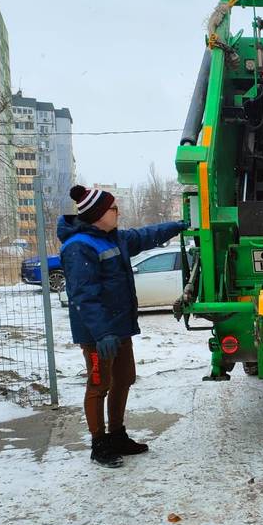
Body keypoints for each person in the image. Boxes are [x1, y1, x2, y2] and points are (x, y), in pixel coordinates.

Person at [58, 184, 188, 468]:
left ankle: (116, 434)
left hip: (119, 328)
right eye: (113, 208)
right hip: (97, 334)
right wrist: (101, 332)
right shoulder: (79, 246)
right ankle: (99, 443)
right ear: (98, 214)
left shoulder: (113, 237)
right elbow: (83, 294)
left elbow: (146, 235)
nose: (118, 212)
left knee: (124, 378)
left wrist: (177, 226)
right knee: (98, 384)